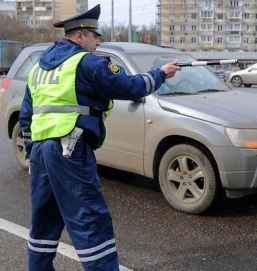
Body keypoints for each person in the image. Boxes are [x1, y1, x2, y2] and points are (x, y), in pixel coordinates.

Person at [19, 4, 181, 271]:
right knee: (90, 221)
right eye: (95, 37)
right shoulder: (87, 62)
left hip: (40, 154)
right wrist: (161, 73)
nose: (98, 43)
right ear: (80, 36)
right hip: (69, 148)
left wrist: (31, 153)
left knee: (44, 221)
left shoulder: (38, 68)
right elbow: (132, 87)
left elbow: (27, 116)